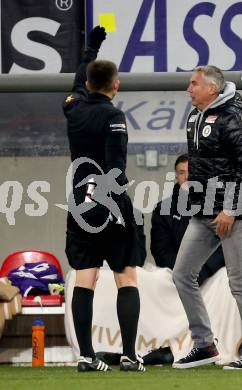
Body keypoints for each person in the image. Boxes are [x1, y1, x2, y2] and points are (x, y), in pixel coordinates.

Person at [172, 65, 242, 369]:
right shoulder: (194, 117)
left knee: (240, 282)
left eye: (194, 84)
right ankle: (204, 345)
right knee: (182, 274)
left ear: (212, 88)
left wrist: (231, 209)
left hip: (234, 214)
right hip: (203, 212)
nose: (189, 88)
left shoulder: (234, 117)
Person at [63, 26, 145, 372]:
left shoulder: (74, 109)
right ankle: (129, 354)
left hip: (80, 203)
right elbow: (116, 169)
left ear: (88, 85)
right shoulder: (114, 117)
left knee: (86, 276)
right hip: (110, 203)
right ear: (116, 86)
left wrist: (90, 49)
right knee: (125, 276)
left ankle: (86, 355)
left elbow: (76, 84)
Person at [151, 153, 225, 285]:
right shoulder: (163, 209)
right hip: (175, 273)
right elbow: (161, 250)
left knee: (227, 278)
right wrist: (184, 271)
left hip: (210, 274)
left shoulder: (217, 207)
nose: (187, 177)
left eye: (191, 172)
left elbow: (223, 246)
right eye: (181, 172)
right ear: (176, 176)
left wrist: (203, 269)